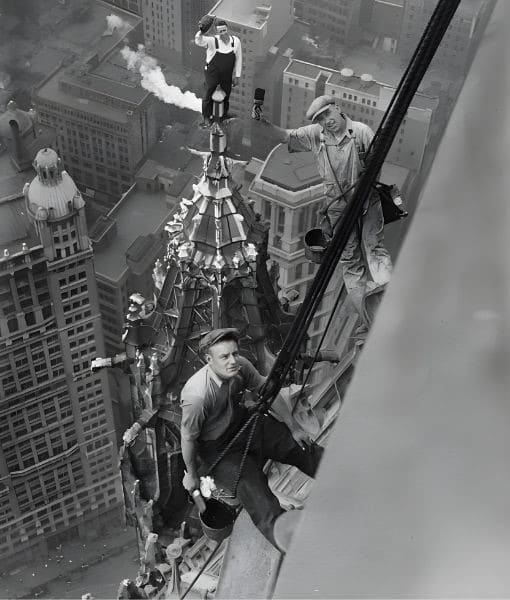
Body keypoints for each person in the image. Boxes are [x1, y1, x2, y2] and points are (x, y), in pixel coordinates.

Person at [256, 95, 393, 337]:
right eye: (320, 119)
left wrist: (361, 189)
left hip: (365, 201)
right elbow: (286, 136)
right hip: (337, 209)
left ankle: (391, 301)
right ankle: (371, 319)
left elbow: (376, 165)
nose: (325, 121)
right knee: (351, 265)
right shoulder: (316, 135)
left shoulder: (361, 132)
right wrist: (262, 124)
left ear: (338, 109)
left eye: (327, 114)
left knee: (373, 249)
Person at [180, 328, 324, 550]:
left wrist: (293, 428)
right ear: (209, 360)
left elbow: (267, 390)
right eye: (224, 357)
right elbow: (188, 439)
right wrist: (191, 475)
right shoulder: (196, 396)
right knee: (261, 503)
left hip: (246, 424)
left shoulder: (241, 366)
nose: (232, 361)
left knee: (302, 449)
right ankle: (300, 551)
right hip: (220, 449)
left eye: (235, 353)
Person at [195, 17, 242, 127]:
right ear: (216, 31)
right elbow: (198, 41)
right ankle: (206, 117)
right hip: (212, 72)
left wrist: (238, 76)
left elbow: (239, 58)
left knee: (226, 92)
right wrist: (201, 32)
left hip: (227, 73)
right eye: (220, 31)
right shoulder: (212, 41)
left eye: (224, 30)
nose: (223, 33)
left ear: (227, 29)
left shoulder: (235, 41)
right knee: (208, 94)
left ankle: (224, 115)